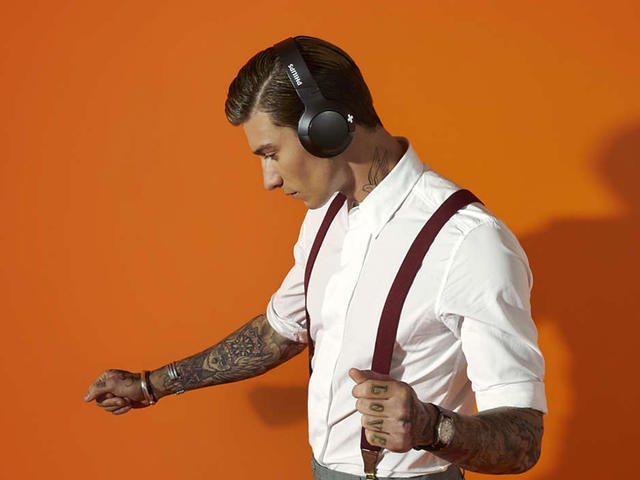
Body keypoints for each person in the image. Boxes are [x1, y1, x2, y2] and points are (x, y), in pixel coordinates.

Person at [84, 36, 546, 479]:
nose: (268, 179)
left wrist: (433, 427)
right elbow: (279, 331)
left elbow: (524, 438)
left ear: (326, 128)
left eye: (271, 153)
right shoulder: (326, 216)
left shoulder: (468, 242)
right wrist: (150, 385)